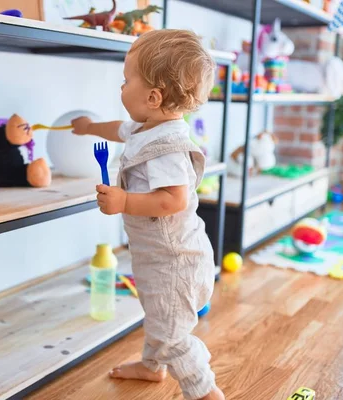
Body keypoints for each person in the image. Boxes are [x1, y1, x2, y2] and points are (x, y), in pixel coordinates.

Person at [71, 29, 224, 400]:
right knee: (159, 315)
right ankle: (151, 368)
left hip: (176, 260)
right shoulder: (147, 127)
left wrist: (124, 201)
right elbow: (119, 130)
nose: (121, 87)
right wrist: (91, 128)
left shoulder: (167, 147)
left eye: (126, 81)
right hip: (157, 255)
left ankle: (204, 391)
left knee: (171, 334)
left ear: (153, 97)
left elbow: (173, 200)